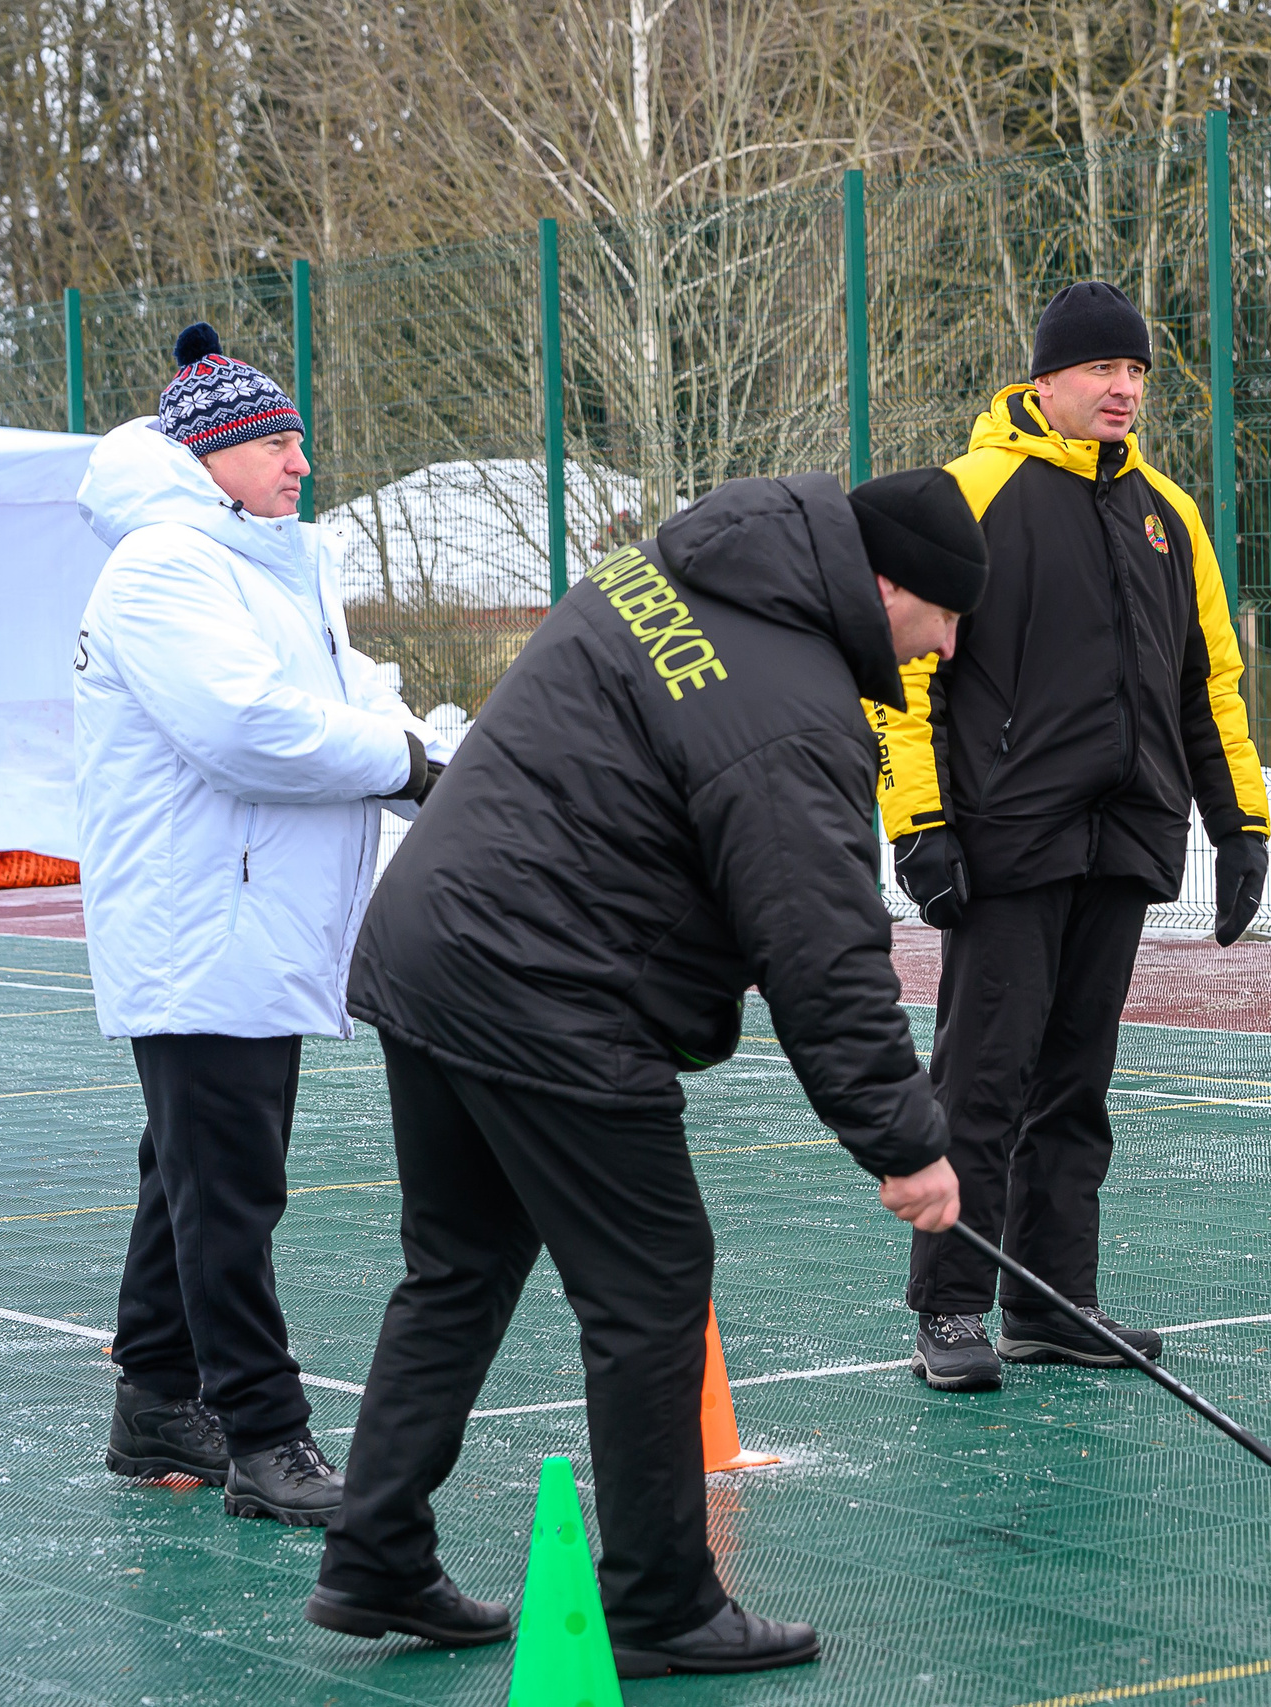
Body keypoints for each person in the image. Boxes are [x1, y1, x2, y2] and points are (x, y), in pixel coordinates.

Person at [305, 467, 983, 1678]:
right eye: (942, 621)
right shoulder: (790, 709)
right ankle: (661, 1605)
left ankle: (375, 1553)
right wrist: (902, 1139)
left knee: (457, 1268)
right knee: (651, 1286)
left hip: (434, 943)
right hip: (550, 989)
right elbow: (820, 943)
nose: (943, 651)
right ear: (889, 587)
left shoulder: (671, 572)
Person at [75, 323, 446, 1524]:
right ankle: (266, 1438)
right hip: (201, 923)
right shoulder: (165, 568)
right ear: (212, 455)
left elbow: (341, 697)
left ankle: (156, 1403)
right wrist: (407, 765)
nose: (301, 462)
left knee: (190, 1171)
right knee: (228, 1188)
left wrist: (437, 759)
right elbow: (245, 728)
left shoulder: (274, 561)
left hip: (245, 917)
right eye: (278, 443)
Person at [874, 280, 1271, 1393]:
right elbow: (899, 678)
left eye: (1136, 370)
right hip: (1006, 842)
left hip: (1124, 838)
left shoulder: (1169, 514)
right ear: (1044, 379)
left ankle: (1052, 1305)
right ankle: (952, 1306)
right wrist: (920, 824)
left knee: (1077, 1085)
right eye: (1102, 368)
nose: (1123, 388)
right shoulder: (971, 492)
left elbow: (1208, 683)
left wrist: (1239, 822)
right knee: (982, 1079)